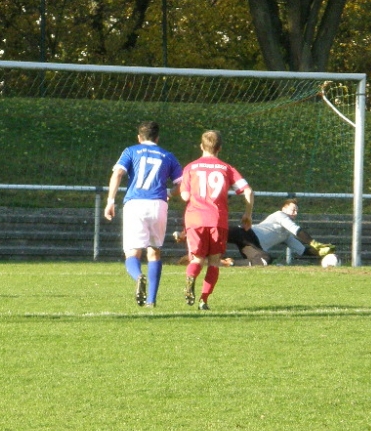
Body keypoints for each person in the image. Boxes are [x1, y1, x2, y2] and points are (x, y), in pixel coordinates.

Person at [103, 121, 183, 307]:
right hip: (158, 204)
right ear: (157, 138)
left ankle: (139, 276)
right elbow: (181, 183)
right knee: (154, 252)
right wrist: (169, 194)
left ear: (139, 138)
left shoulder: (131, 151)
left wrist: (110, 201)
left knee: (132, 252)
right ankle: (151, 301)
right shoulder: (168, 156)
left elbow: (117, 174)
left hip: (135, 203)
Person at [179, 130, 254, 310]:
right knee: (213, 261)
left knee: (196, 259)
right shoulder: (226, 168)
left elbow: (184, 195)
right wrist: (247, 214)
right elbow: (248, 191)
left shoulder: (191, 167)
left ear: (201, 146)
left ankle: (190, 279)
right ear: (220, 148)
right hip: (217, 219)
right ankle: (204, 300)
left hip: (195, 218)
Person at [225, 199, 335, 266]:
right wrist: (313, 242)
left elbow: (302, 251)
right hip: (246, 233)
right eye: (293, 210)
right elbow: (297, 230)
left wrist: (320, 252)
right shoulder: (279, 215)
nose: (295, 213)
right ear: (284, 209)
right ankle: (207, 255)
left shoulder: (286, 235)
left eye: (297, 211)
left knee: (265, 260)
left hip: (253, 245)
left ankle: (229, 263)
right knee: (218, 234)